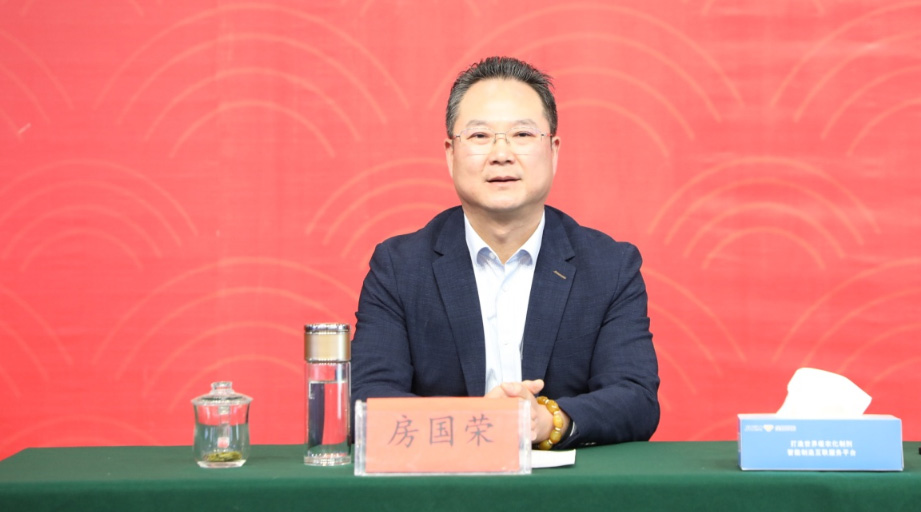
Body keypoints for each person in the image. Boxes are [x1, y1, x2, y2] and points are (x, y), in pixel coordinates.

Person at [351, 56, 659, 449]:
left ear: (553, 150)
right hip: (444, 481)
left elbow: (635, 398)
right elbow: (367, 402)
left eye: (522, 134)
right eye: (480, 136)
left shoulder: (609, 266)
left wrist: (547, 421)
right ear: (450, 153)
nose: (501, 153)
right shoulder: (399, 268)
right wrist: (480, 423)